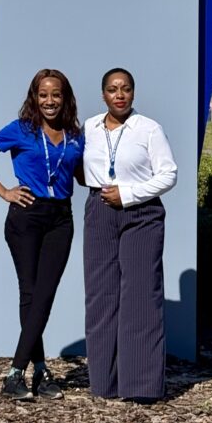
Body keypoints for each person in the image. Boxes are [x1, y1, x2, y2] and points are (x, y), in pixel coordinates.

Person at [0, 69, 84, 401]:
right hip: (26, 218)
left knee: (43, 296)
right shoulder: (21, 130)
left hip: (61, 219)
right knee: (31, 294)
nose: (49, 101)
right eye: (43, 94)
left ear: (65, 98)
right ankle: (28, 373)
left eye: (56, 94)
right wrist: (4, 191)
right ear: (35, 97)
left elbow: (80, 174)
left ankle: (26, 373)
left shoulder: (75, 135)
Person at [82, 68, 177, 402]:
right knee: (100, 297)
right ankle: (104, 385)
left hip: (141, 215)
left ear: (133, 93)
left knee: (140, 298)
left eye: (125, 89)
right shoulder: (90, 128)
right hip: (99, 213)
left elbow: (169, 174)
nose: (119, 94)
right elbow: (80, 167)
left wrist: (129, 194)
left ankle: (140, 387)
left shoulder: (149, 129)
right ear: (103, 94)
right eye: (112, 89)